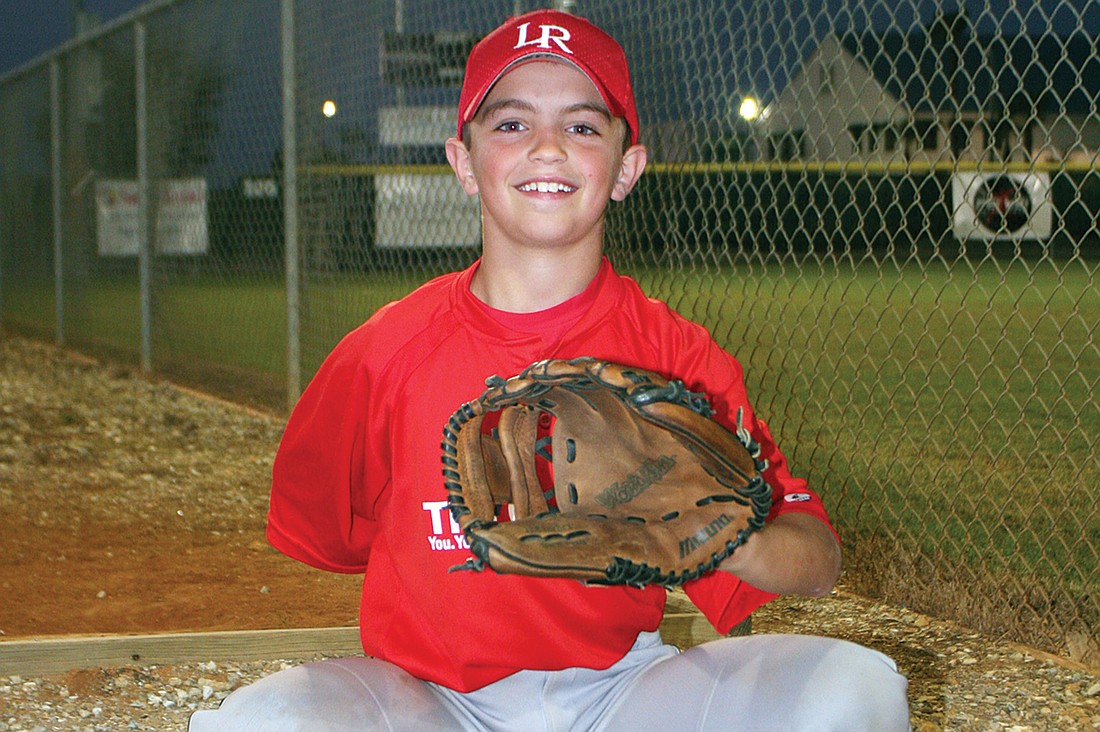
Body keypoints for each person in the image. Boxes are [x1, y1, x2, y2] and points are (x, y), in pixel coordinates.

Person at [189, 9, 910, 731]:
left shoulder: (674, 359)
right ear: (463, 163)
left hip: (621, 692)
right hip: (428, 699)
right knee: (257, 722)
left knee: (855, 691)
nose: (546, 147)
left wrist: (731, 534)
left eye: (582, 126)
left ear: (627, 169)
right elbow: (326, 534)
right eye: (510, 125)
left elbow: (817, 557)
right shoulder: (385, 353)